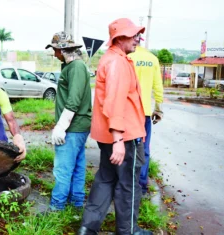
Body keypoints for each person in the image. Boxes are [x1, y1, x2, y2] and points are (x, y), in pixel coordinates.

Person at [78, 18, 152, 235]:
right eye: (133, 35)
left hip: (110, 135)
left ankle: (87, 228)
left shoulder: (112, 59)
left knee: (105, 179)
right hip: (123, 136)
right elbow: (115, 101)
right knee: (128, 184)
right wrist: (119, 139)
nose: (138, 39)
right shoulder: (118, 63)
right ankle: (128, 230)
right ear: (119, 39)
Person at [45, 32, 92, 211]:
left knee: (63, 169)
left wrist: (61, 126)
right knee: (77, 166)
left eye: (55, 50)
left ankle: (57, 208)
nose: (55, 54)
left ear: (63, 49)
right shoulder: (71, 66)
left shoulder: (76, 67)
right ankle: (76, 203)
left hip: (73, 127)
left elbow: (74, 99)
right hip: (78, 126)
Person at [128, 40, 164, 195]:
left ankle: (127, 184)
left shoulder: (128, 57)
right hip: (145, 112)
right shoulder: (152, 59)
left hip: (129, 111)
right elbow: (158, 86)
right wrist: (158, 109)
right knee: (144, 148)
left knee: (127, 148)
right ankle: (141, 185)